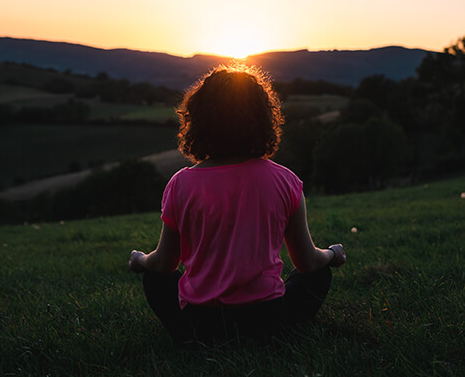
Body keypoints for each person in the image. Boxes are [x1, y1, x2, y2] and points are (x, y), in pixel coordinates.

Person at [128, 64, 345, 344]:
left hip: (199, 325)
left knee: (154, 278)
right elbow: (307, 262)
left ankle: (187, 336)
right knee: (318, 275)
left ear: (199, 120)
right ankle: (280, 332)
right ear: (263, 120)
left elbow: (164, 264)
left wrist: (140, 260)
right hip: (268, 322)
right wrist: (332, 254)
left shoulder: (180, 184)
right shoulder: (286, 180)